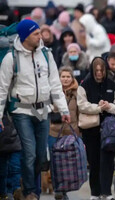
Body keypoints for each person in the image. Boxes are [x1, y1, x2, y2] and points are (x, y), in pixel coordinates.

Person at [0, 19, 71, 200]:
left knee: (41, 156)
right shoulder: (11, 58)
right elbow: (2, 88)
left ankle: (27, 184)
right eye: (36, 34)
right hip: (21, 111)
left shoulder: (46, 54)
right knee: (29, 152)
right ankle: (30, 192)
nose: (41, 36)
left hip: (43, 110)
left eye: (40, 32)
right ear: (25, 37)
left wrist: (64, 110)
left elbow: (55, 84)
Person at [77, 57, 115, 200]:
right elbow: (82, 105)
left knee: (108, 162)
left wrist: (108, 106)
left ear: (105, 70)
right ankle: (95, 193)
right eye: (96, 70)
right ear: (92, 70)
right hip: (90, 130)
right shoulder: (84, 85)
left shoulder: (113, 85)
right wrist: (98, 108)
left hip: (110, 130)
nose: (99, 73)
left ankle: (107, 192)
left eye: (101, 70)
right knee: (94, 162)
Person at [48, 66, 80, 200]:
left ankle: (64, 190)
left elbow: (80, 111)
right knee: (55, 162)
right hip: (54, 131)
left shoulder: (77, 93)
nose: (65, 79)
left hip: (71, 133)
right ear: (59, 78)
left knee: (68, 163)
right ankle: (57, 189)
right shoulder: (52, 91)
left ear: (72, 78)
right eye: (63, 76)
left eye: (68, 76)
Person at [0, 116, 22, 200]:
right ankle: (5, 193)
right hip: (8, 140)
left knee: (13, 169)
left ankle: (11, 193)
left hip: (14, 141)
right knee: (4, 170)